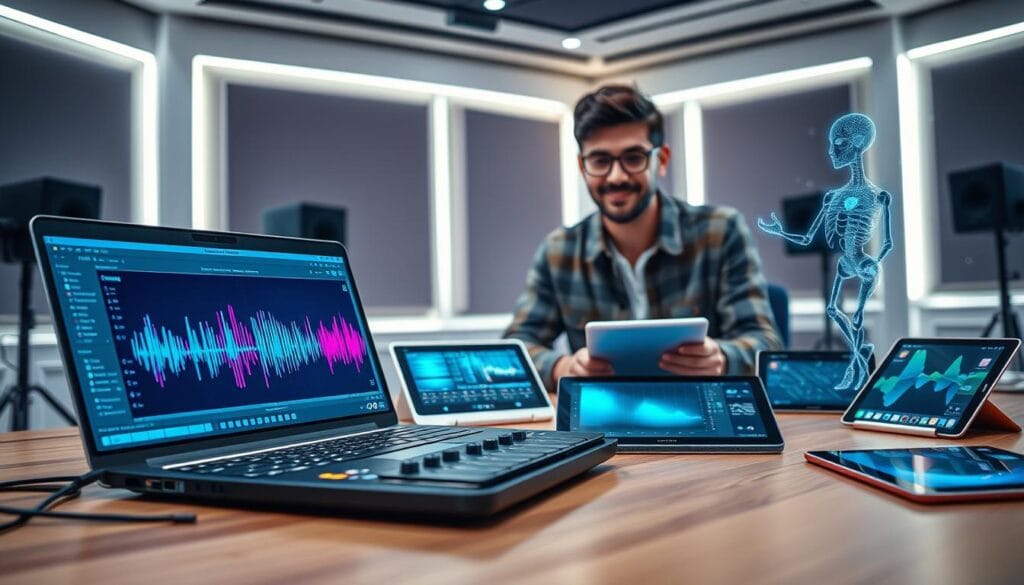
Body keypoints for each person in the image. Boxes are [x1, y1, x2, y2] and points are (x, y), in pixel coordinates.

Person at [503, 84, 782, 390]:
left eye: (633, 158)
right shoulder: (559, 251)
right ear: (583, 167)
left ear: (660, 159)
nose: (616, 176)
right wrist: (562, 367)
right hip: (602, 418)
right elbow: (515, 350)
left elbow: (766, 344)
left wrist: (723, 358)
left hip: (699, 411)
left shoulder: (720, 230)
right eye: (600, 161)